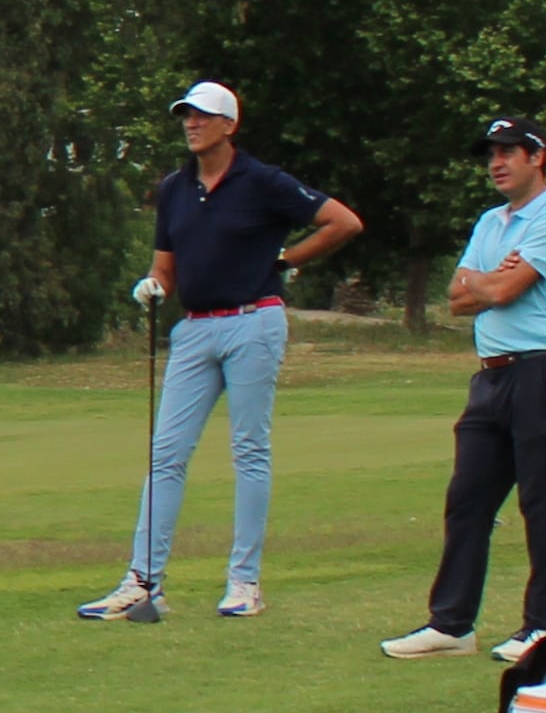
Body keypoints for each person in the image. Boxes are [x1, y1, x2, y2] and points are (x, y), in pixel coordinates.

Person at [78, 81, 360, 624]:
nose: (192, 124)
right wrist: (155, 284)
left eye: (203, 116)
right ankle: (143, 582)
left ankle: (244, 581)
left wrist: (288, 259)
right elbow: (166, 263)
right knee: (166, 455)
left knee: (249, 450)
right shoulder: (174, 189)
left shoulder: (263, 182)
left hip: (254, 321)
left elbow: (342, 222)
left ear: (230, 125)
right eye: (186, 115)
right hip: (195, 329)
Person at [382, 118, 546, 662]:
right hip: (492, 374)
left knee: (541, 501)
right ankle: (452, 624)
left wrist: (488, 282)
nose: (496, 162)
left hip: (545, 370)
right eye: (492, 154)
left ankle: (541, 627)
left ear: (536, 157)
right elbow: (458, 295)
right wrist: (485, 280)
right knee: (467, 499)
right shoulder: (491, 222)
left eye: (509, 152)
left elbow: (506, 289)